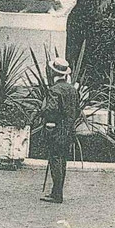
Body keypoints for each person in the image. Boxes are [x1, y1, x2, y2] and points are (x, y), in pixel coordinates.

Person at [41, 57, 81, 204]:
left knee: (55, 159)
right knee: (62, 160)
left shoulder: (54, 90)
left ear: (53, 73)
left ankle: (57, 194)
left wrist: (43, 112)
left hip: (56, 129)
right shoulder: (73, 90)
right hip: (69, 129)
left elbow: (51, 110)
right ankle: (57, 192)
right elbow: (77, 110)